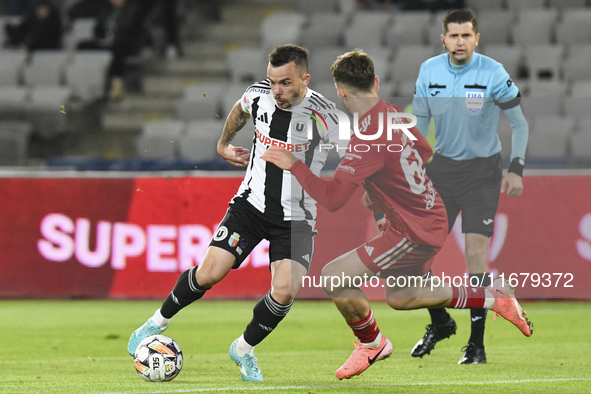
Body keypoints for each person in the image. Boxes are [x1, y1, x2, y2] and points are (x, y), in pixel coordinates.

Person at [261, 48, 532, 380]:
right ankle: (492, 297)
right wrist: (382, 192)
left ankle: (371, 343)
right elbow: (425, 150)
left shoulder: (366, 138)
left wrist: (295, 165)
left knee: (334, 277)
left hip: (412, 230)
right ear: (375, 82)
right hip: (430, 216)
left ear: (340, 91)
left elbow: (332, 199)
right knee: (403, 296)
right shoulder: (394, 115)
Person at [127, 44, 345, 382]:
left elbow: (350, 165)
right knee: (210, 273)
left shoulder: (327, 116)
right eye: (273, 81)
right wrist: (223, 143)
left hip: (297, 219)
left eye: (286, 83)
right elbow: (239, 111)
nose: (277, 90)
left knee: (285, 290)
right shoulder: (259, 95)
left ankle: (243, 349)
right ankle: (156, 322)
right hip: (251, 207)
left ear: (305, 79)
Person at [410, 9, 530, 364]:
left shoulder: (492, 72)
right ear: (443, 39)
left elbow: (519, 124)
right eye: (453, 35)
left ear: (476, 38)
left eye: (466, 36)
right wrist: (409, 169)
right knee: (419, 253)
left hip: (483, 172)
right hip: (443, 171)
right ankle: (441, 321)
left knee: (476, 255)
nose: (459, 42)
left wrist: (517, 168)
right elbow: (418, 126)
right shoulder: (429, 70)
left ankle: (476, 346)